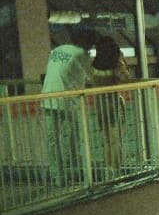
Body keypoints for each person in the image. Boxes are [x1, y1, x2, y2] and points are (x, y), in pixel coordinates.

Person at [42, 27, 96, 183]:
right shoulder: (82, 54)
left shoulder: (58, 49)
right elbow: (92, 76)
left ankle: (57, 176)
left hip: (47, 96)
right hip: (67, 100)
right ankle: (76, 169)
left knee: (53, 140)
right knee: (74, 136)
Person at [87, 35, 133, 175]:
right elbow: (125, 78)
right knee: (115, 138)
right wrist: (122, 60)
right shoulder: (116, 64)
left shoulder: (94, 65)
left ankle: (108, 169)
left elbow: (91, 80)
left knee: (106, 140)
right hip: (113, 103)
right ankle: (116, 169)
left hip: (100, 104)